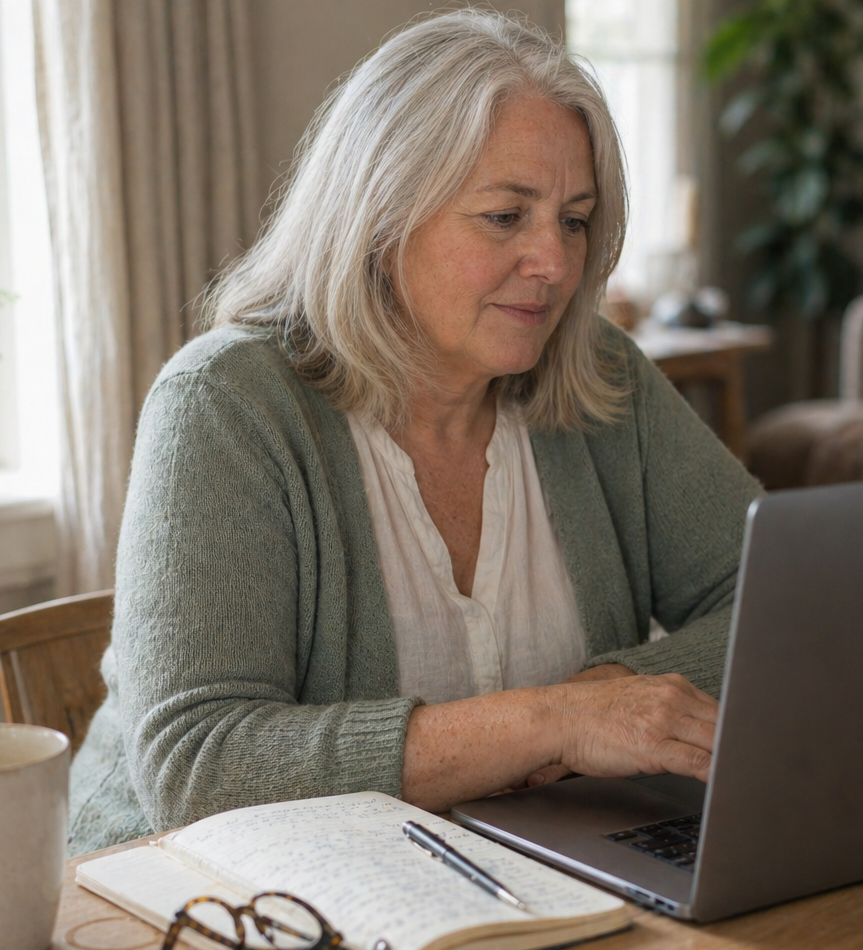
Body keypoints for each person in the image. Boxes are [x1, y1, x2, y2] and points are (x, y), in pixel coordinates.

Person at [67, 10, 761, 854]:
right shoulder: (223, 404)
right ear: (380, 214)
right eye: (506, 216)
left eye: (573, 220)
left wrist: (621, 688)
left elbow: (780, 600)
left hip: (505, 878)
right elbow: (203, 769)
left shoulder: (599, 376)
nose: (554, 263)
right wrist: (556, 722)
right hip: (197, 914)